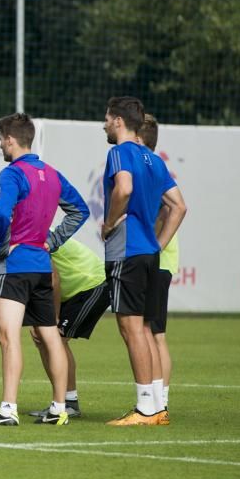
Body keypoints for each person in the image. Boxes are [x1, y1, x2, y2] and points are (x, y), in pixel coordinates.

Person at [0, 112, 88, 427]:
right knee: (51, 335)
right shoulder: (52, 174)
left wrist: (1, 246)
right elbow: (80, 210)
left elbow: (0, 212)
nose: (0, 146)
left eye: (0, 139)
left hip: (14, 266)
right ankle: (59, 407)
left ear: (10, 140)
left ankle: (8, 409)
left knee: (8, 337)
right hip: (41, 264)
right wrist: (51, 241)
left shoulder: (12, 174)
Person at [101, 97, 186, 426]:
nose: (105, 124)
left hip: (127, 250)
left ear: (119, 121)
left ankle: (145, 409)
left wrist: (109, 222)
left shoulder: (119, 153)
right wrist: (158, 243)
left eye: (107, 119)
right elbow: (179, 206)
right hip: (149, 254)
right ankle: (155, 406)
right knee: (146, 330)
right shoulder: (153, 159)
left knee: (131, 328)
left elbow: (123, 187)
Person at [29, 237, 110, 419]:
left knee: (56, 341)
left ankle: (69, 403)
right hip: (71, 292)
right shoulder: (23, 235)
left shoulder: (35, 236)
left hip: (90, 284)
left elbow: (53, 279)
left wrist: (53, 318)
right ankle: (60, 401)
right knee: (44, 340)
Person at [138, 114, 179, 419]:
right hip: (159, 259)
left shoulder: (150, 167)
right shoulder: (152, 166)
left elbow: (170, 208)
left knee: (154, 332)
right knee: (152, 331)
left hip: (158, 260)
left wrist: (156, 244)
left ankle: (159, 400)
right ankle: (158, 398)